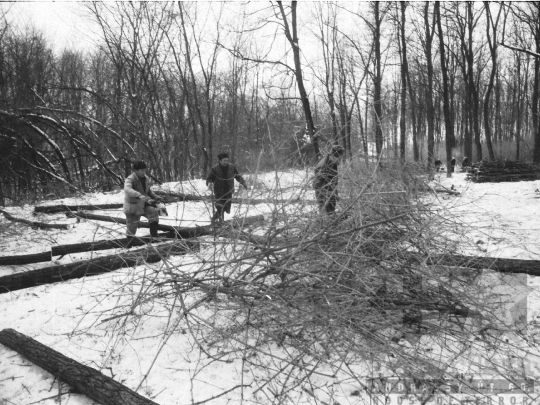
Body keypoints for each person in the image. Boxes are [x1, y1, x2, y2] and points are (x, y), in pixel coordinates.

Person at [123, 160, 163, 242]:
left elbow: (148, 191)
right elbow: (127, 189)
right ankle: (129, 243)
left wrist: (156, 197)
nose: (144, 172)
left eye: (145, 170)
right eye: (141, 170)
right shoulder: (130, 179)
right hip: (133, 206)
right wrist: (139, 195)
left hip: (143, 204)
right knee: (132, 228)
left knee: (154, 213)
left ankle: (154, 236)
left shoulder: (146, 179)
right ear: (136, 170)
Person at [206, 152, 248, 224]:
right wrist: (209, 183)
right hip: (219, 191)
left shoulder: (232, 167)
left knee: (226, 207)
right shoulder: (215, 169)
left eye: (227, 160)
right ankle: (221, 222)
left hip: (229, 191)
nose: (226, 162)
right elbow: (209, 179)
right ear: (220, 161)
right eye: (224, 160)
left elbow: (238, 176)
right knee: (220, 207)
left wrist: (243, 183)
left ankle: (214, 218)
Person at [313, 145, 345, 214]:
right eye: (339, 159)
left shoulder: (333, 163)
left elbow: (333, 180)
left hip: (330, 191)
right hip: (323, 193)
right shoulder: (323, 166)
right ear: (333, 156)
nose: (340, 161)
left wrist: (335, 194)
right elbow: (317, 185)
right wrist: (329, 194)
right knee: (326, 213)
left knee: (331, 211)